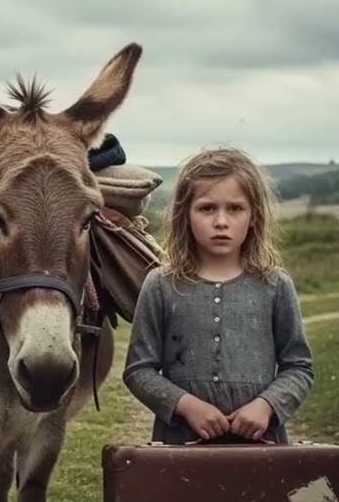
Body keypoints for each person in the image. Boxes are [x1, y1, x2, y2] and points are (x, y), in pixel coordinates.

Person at [122, 146, 314, 444]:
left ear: (254, 216)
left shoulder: (275, 285)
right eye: (207, 208)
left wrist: (265, 407)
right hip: (180, 445)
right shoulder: (160, 284)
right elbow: (138, 370)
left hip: (262, 447)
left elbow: (299, 367)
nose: (221, 221)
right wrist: (188, 406)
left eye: (235, 209)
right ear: (185, 214)